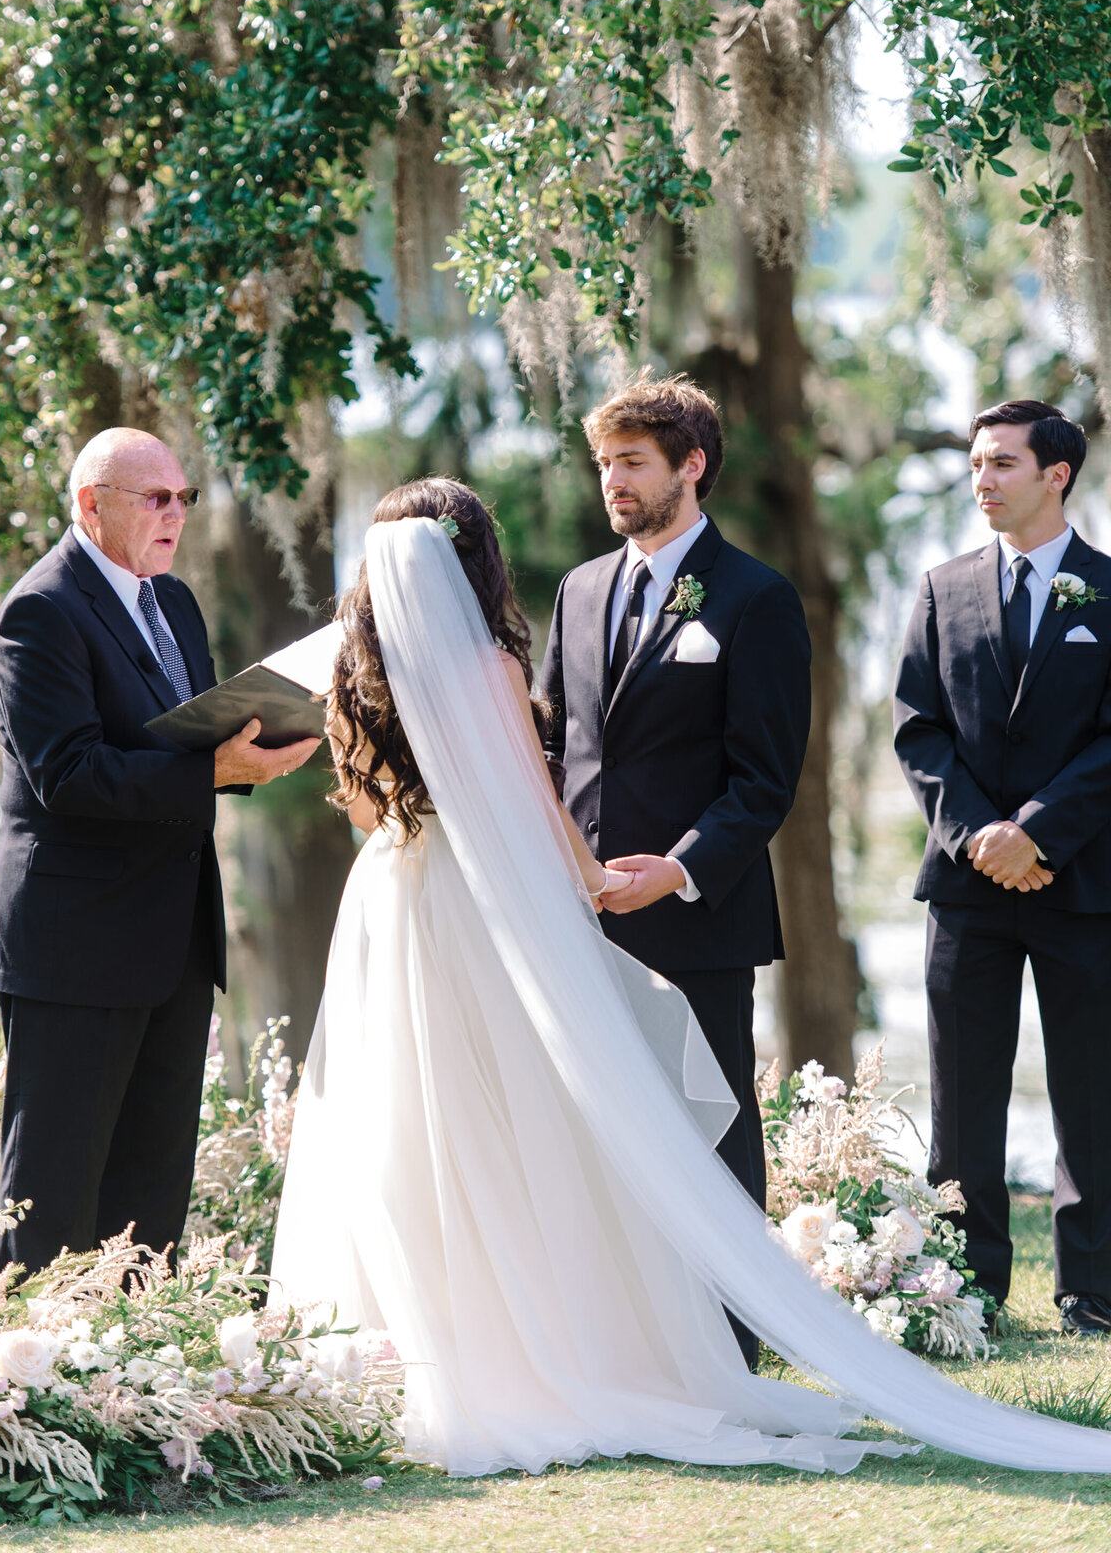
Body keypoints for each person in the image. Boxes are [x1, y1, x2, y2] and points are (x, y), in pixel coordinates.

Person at [271, 475, 1111, 1477]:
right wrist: (588, 877)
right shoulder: (488, 660)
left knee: (413, 1118)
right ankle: (549, 1348)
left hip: (389, 898)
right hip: (478, 898)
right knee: (520, 1116)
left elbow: (370, 811)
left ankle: (423, 1351)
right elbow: (534, 798)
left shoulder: (358, 668)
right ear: (476, 557)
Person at [0, 427, 319, 1276]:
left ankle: (136, 1387)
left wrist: (249, 748)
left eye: (183, 498)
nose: (176, 516)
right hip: (75, 945)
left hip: (172, 940)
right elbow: (73, 775)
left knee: (151, 1203)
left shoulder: (173, 603)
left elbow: (177, 744)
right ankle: (33, 1391)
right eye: (154, 499)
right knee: (53, 1199)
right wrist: (217, 768)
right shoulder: (42, 610)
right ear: (92, 505)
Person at [539, 372, 811, 1362]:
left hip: (698, 914)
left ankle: (735, 1341)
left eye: (633, 462)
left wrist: (681, 869)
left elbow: (765, 779)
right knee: (594, 1128)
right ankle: (627, 1332)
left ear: (691, 466)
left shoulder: (757, 599)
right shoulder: (578, 590)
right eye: (605, 462)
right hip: (575, 913)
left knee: (713, 1121)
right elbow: (555, 744)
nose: (612, 480)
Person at [894, 399, 1111, 1338]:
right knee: (963, 1095)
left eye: (1002, 465)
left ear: (1056, 474)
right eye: (976, 463)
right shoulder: (943, 589)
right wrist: (982, 834)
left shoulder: (1108, 591)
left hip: (1084, 883)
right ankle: (967, 1290)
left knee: (1094, 1092)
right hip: (966, 885)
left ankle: (1092, 1291)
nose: (981, 479)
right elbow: (918, 727)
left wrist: (1038, 832)